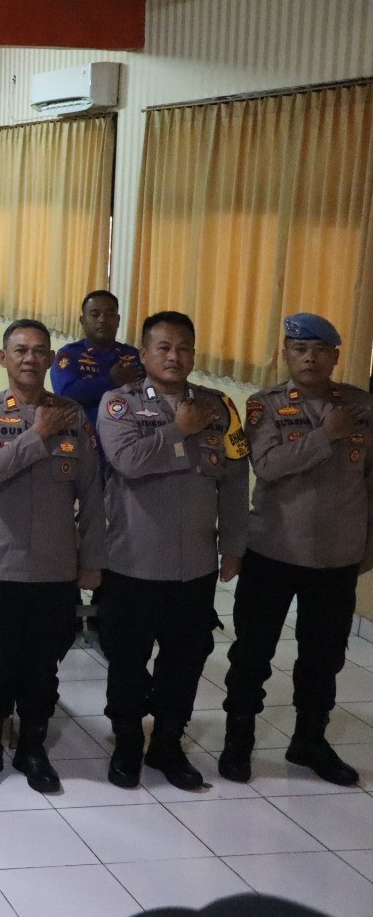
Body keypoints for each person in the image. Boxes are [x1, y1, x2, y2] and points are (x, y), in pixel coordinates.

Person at [95, 311, 249, 793]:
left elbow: (235, 477)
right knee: (127, 658)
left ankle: (166, 742)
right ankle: (125, 741)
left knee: (185, 661)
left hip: (195, 564)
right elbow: (129, 461)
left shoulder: (219, 406)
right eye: (162, 347)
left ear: (193, 355)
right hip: (134, 560)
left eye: (183, 347)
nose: (173, 356)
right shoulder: (118, 404)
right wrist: (178, 429)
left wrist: (235, 545)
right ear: (143, 355)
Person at [219, 312, 373, 787]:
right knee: (252, 652)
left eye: (320, 350)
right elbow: (267, 465)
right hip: (274, 551)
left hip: (336, 556)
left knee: (324, 656)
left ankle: (310, 740)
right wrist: (327, 434)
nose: (309, 357)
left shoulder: (361, 406)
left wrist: (370, 543)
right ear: (284, 354)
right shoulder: (264, 406)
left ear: (335, 356)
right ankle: (238, 742)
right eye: (299, 348)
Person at [0, 320, 106, 795]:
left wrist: (92, 561)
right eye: (20, 350)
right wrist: (38, 434)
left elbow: (92, 495)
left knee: (42, 671)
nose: (29, 358)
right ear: (3, 359)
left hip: (54, 571)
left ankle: (32, 747)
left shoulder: (74, 417)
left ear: (50, 360)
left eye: (39, 351)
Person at [52, 290, 144, 430]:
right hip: (85, 435)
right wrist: (111, 381)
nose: (102, 319)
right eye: (95, 314)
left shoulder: (133, 355)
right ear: (82, 321)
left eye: (109, 314)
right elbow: (66, 395)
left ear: (118, 320)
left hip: (129, 433)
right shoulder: (69, 354)